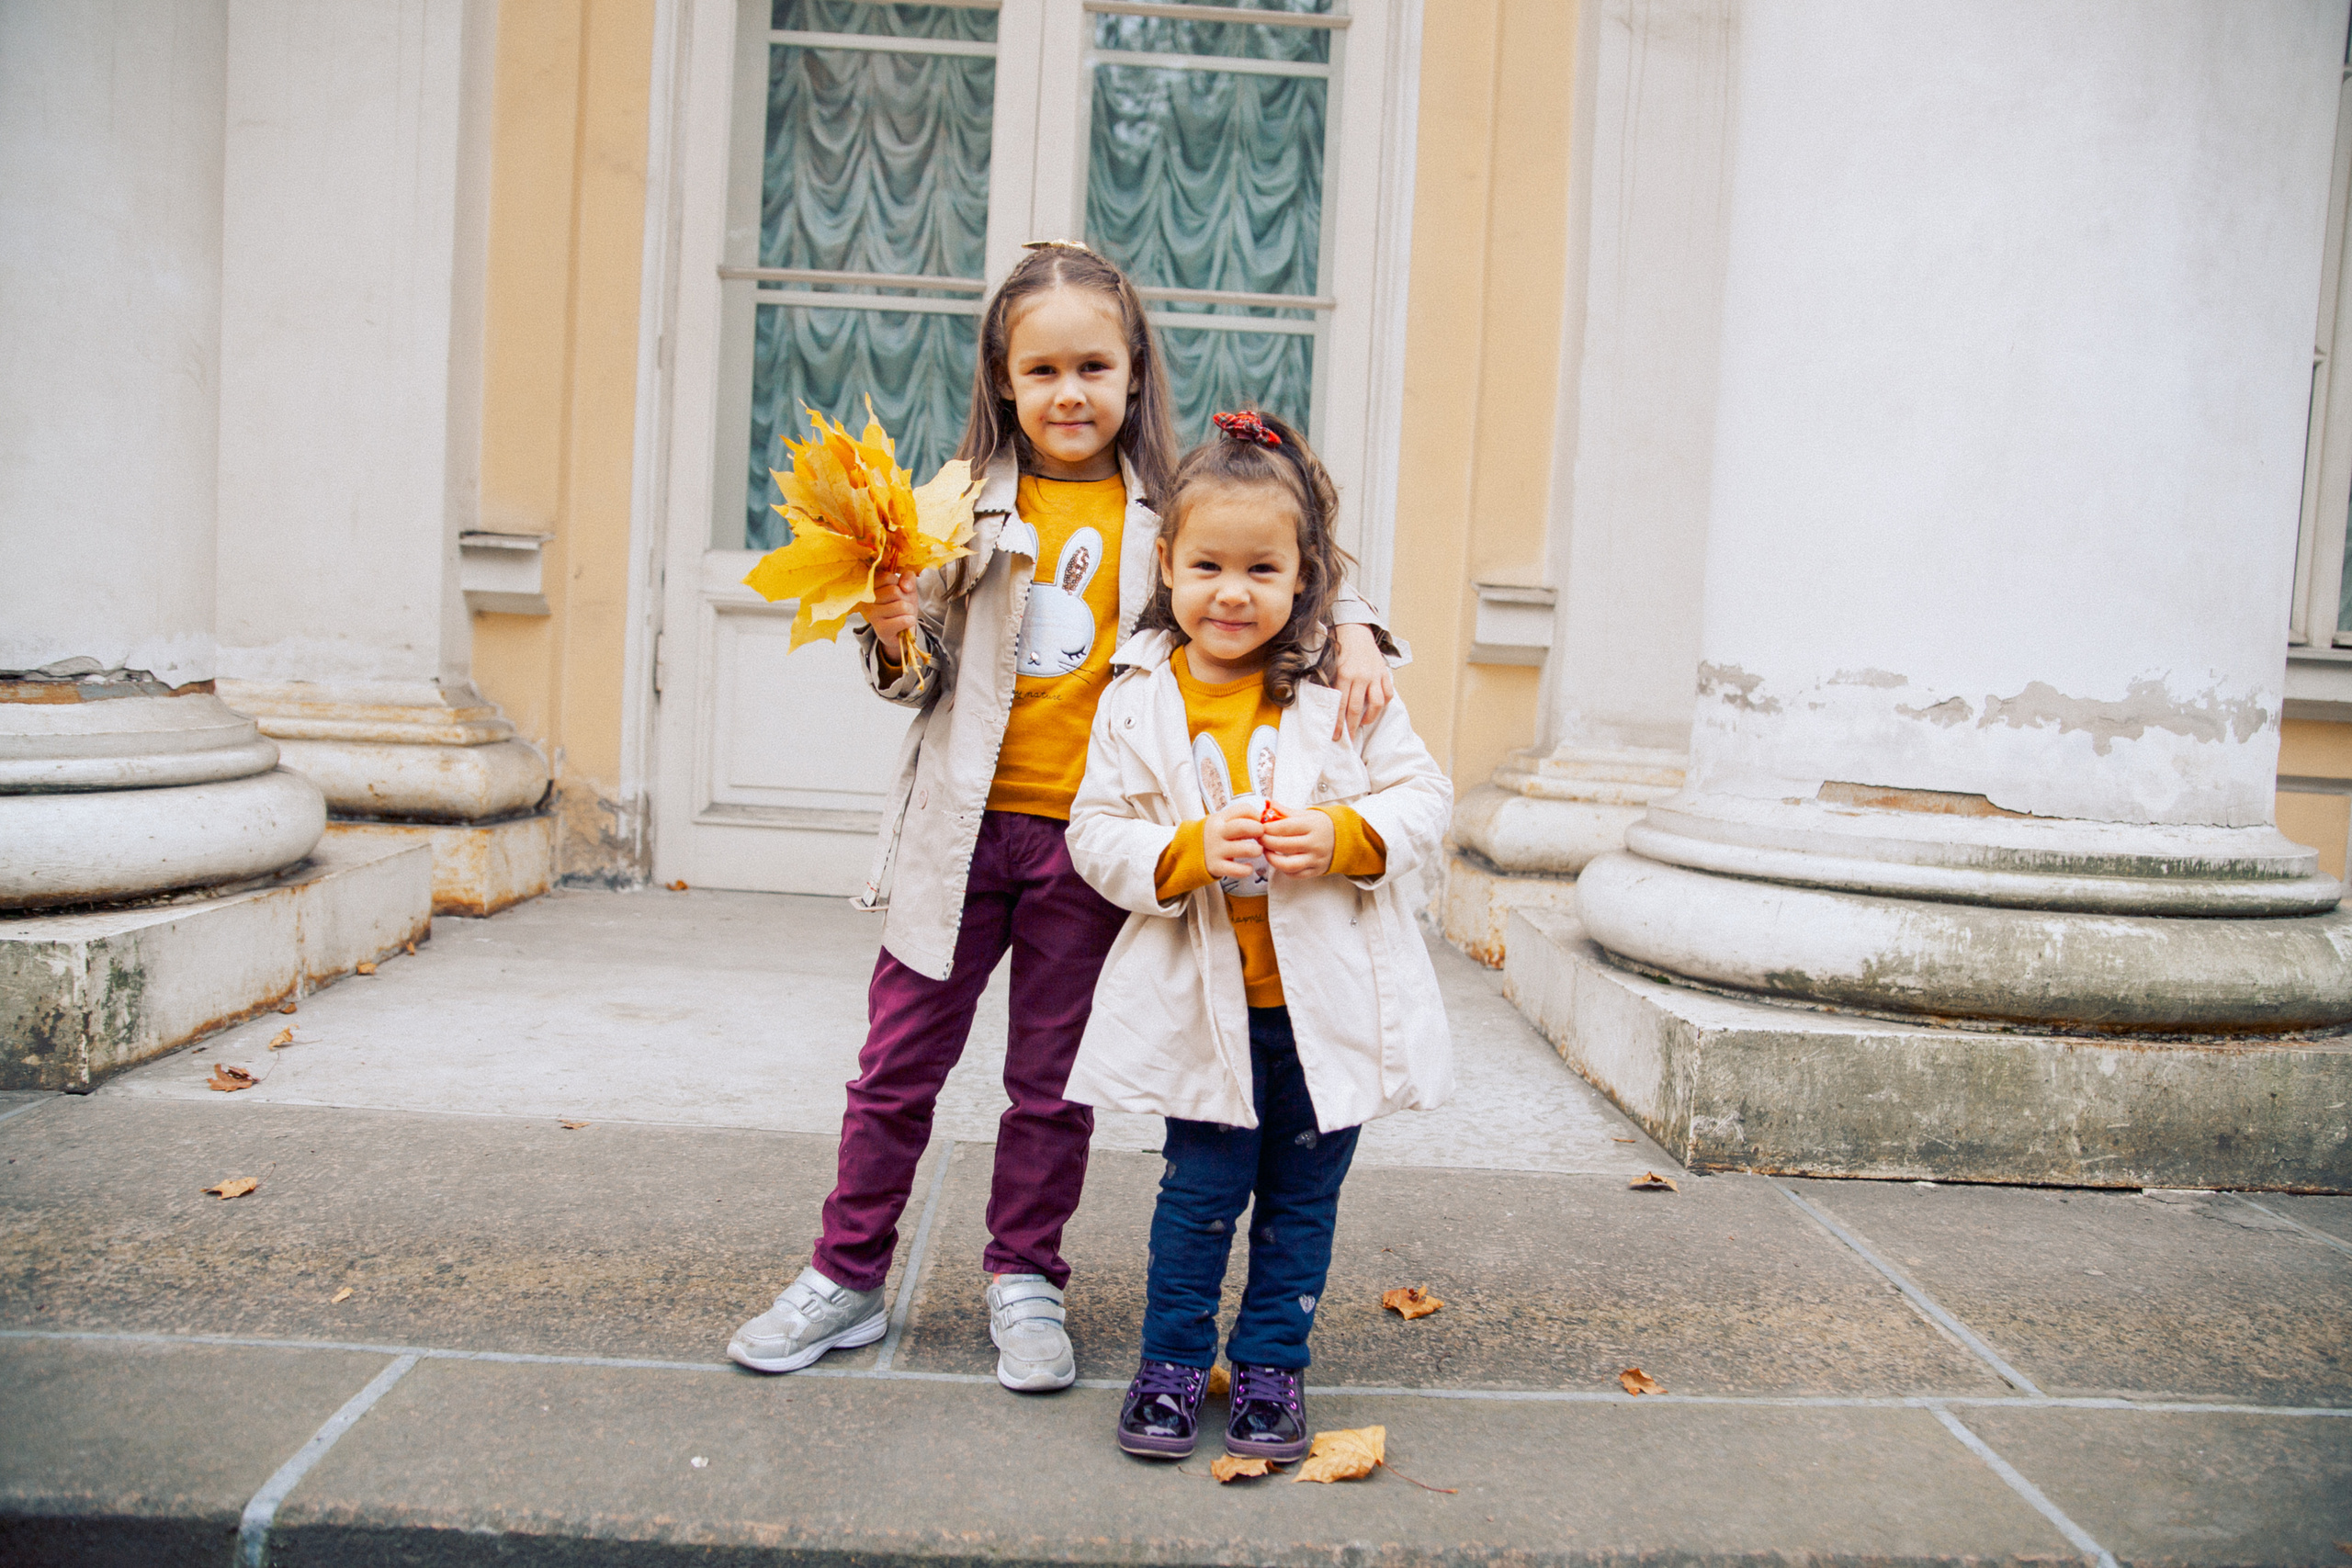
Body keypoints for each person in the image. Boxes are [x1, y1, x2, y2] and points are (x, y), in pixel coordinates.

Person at [727, 244, 1402, 1393]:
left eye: (1094, 365)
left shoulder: (1167, 510)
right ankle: (845, 1276)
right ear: (1002, 380)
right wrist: (892, 626)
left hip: (1089, 851)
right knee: (897, 1067)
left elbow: (1288, 563)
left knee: (1050, 1081)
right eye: (1041, 370)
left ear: (1135, 372)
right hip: (961, 832)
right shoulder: (950, 509)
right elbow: (915, 680)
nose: (1069, 393)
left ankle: (1023, 1274)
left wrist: (1355, 629)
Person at [1060, 409, 1453, 1461]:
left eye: (1261, 570)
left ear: (1305, 576)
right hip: (1210, 1013)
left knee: (1299, 1207)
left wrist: (1343, 835)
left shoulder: (1345, 690)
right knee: (1196, 1200)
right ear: (1167, 564)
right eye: (1206, 567)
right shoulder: (1138, 695)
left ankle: (1273, 1364)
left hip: (1320, 1012)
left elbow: (1425, 800)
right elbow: (1094, 834)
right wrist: (1186, 848)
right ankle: (1173, 1365)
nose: (1231, 593)